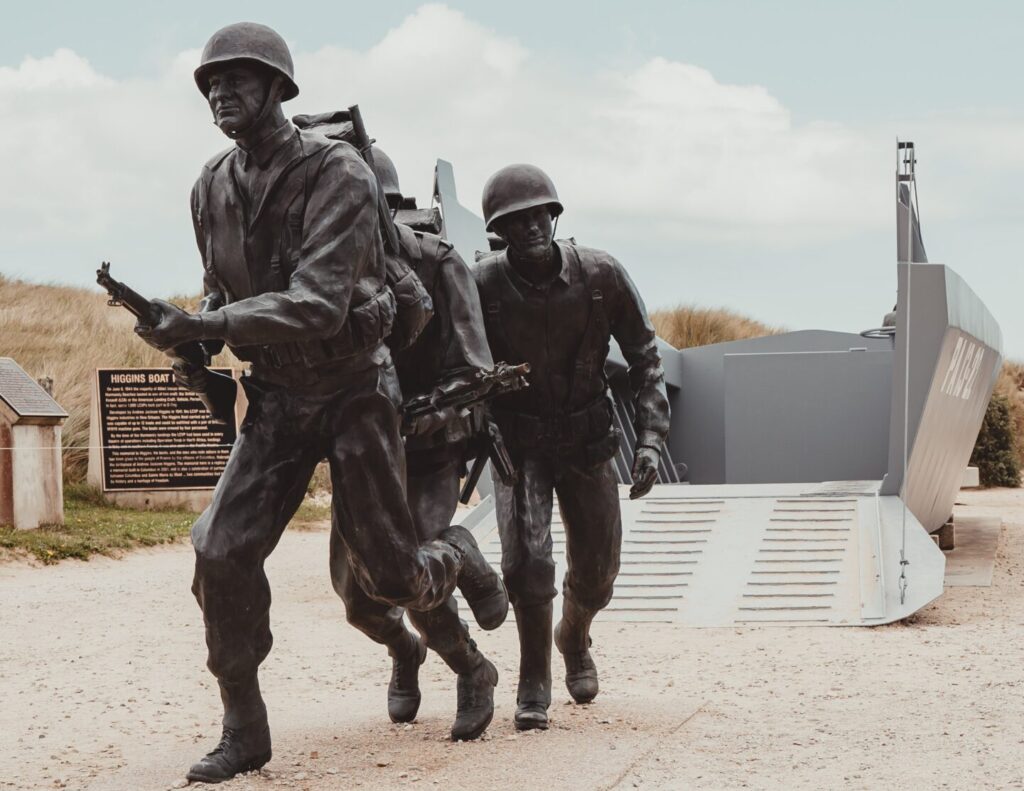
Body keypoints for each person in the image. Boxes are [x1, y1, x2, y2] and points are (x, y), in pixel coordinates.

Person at [134, 22, 507, 783]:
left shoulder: (338, 172)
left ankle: (464, 611)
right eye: (210, 84)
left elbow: (319, 303)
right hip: (276, 395)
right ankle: (245, 727)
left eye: (236, 79)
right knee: (218, 550)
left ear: (278, 87)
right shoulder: (210, 184)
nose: (219, 94)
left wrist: (209, 322)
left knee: (391, 576)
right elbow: (224, 288)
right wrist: (188, 337)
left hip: (353, 390)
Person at [474, 164, 670, 731]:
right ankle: (533, 675)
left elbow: (645, 358)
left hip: (588, 440)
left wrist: (652, 438)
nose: (531, 227)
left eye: (539, 214)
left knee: (598, 571)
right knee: (525, 563)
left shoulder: (601, 275)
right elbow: (459, 361)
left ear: (554, 216)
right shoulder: (482, 284)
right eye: (517, 220)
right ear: (500, 231)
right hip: (520, 442)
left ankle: (575, 634)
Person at [328, 147, 500, 741]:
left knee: (408, 569)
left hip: (429, 449)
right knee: (356, 599)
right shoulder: (324, 273)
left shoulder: (439, 263)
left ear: (386, 203)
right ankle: (405, 650)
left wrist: (429, 411)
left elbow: (476, 367)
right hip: (362, 456)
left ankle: (472, 668)